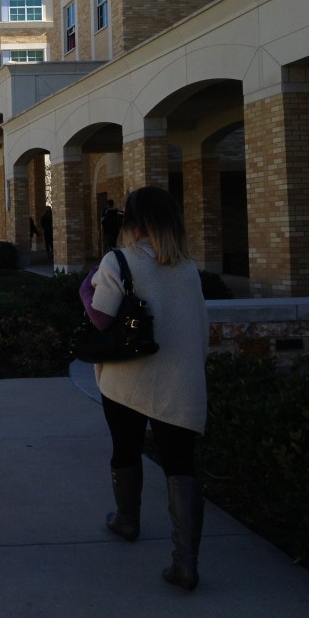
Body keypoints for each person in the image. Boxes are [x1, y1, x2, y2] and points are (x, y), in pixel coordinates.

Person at [78, 186, 209, 591]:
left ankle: (127, 520)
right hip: (181, 379)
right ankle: (185, 563)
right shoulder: (187, 267)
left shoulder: (119, 260)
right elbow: (200, 326)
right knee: (180, 464)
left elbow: (100, 319)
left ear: (131, 222)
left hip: (126, 378)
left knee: (126, 448)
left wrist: (86, 288)